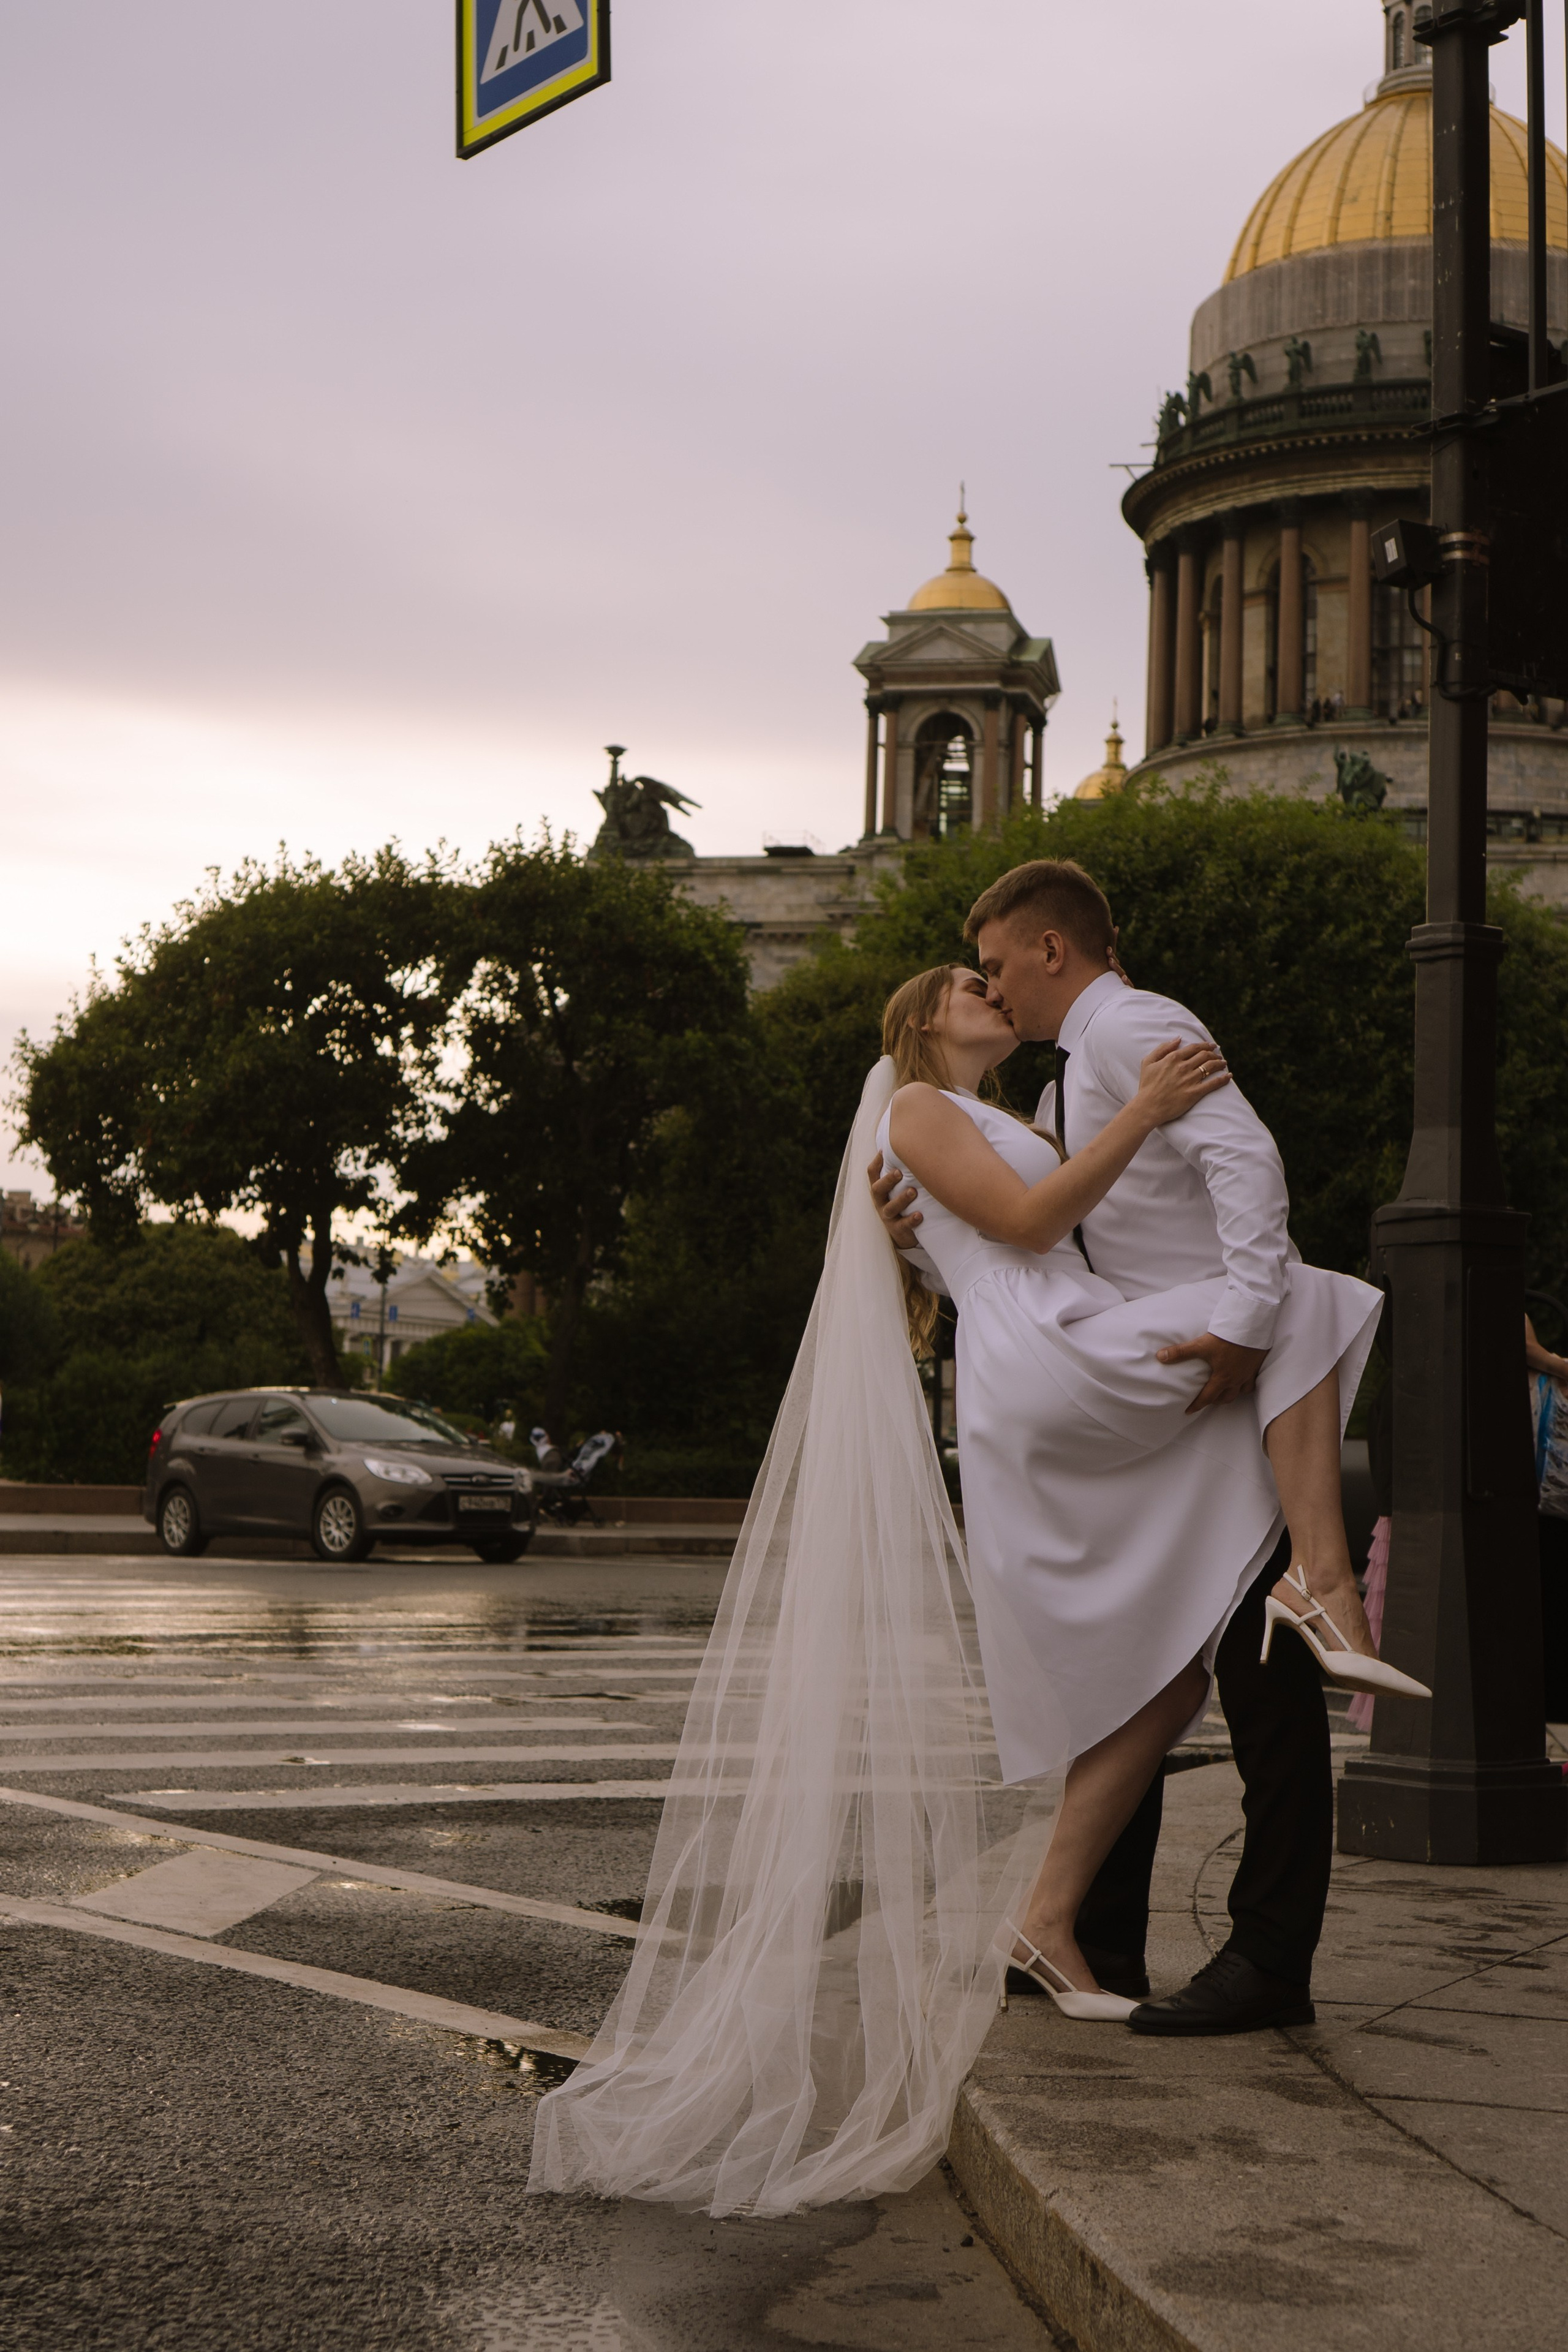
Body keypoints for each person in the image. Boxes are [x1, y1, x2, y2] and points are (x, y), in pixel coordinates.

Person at [873, 858, 1422, 2034]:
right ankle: (1323, 1587)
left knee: (1150, 1674)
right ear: (922, 1025)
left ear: (1051, 950)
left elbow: (1124, 1216)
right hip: (1079, 1365)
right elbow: (1031, 1229)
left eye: (997, 964)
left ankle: (1081, 1930)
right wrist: (1241, 1317)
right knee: (1308, 1304)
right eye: (968, 981)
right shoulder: (981, 1098)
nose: (991, 984)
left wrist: (1233, 1318)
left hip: (1104, 1364)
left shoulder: (1076, 1073)